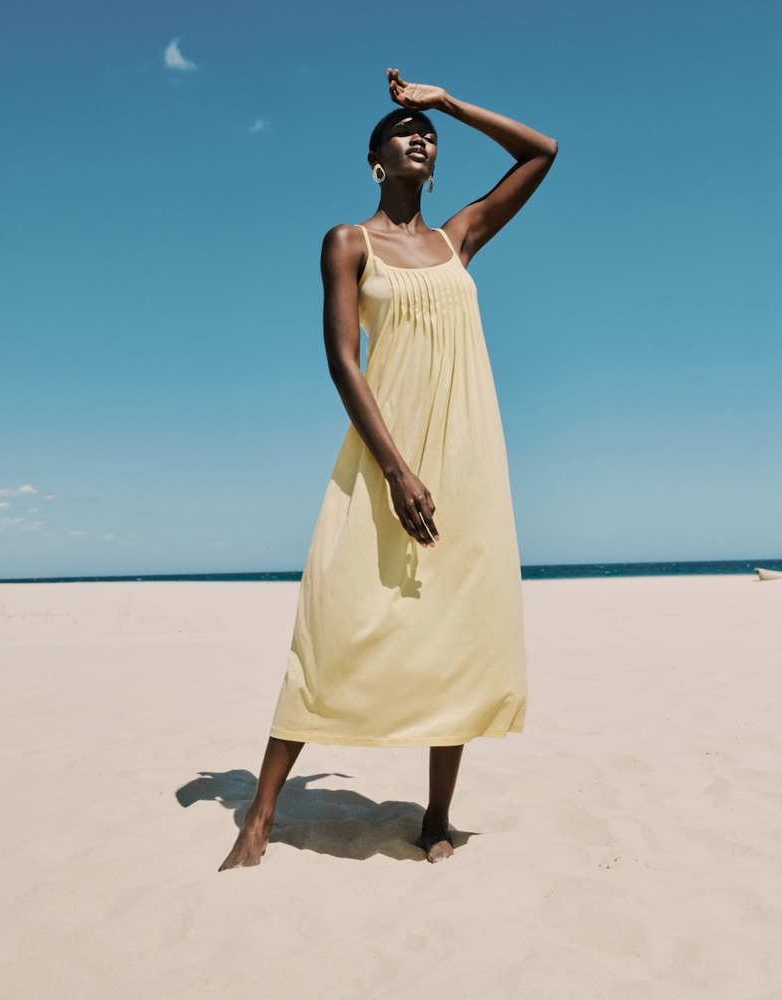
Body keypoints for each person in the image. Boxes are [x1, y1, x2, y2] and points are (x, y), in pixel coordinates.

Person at [219, 69, 557, 870]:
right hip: (386, 460)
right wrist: (397, 471)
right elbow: (344, 363)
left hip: (468, 462)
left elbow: (540, 153)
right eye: (404, 131)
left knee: (459, 633)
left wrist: (449, 103)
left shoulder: (459, 237)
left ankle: (436, 815)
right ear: (375, 159)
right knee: (334, 625)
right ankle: (259, 816)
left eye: (428, 136)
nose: (420, 139)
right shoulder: (349, 240)